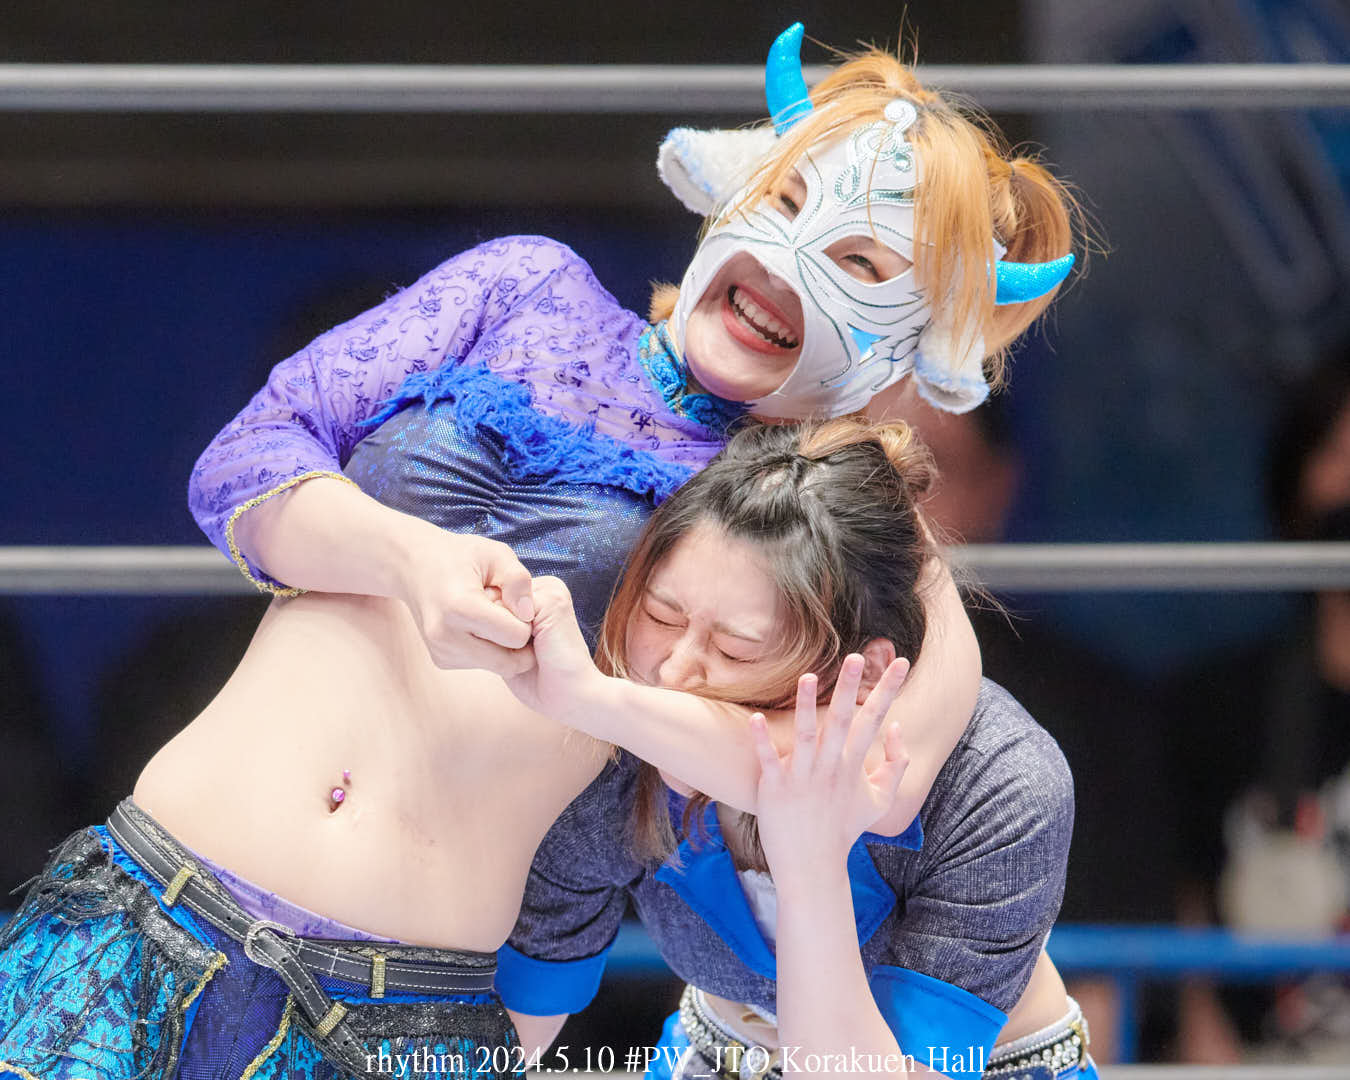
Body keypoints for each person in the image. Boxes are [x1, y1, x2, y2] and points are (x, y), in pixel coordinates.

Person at [0, 25, 1079, 1078]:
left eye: (859, 264)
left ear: (908, 349)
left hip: (397, 1006)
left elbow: (872, 783)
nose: (791, 267)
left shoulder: (810, 513)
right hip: (155, 898)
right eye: (789, 203)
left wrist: (585, 694)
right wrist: (407, 560)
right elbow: (245, 461)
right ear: (738, 194)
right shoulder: (527, 284)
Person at [499, 417, 1089, 1080]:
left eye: (734, 649)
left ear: (861, 673)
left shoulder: (999, 786)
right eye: (661, 615)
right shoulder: (611, 743)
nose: (671, 672)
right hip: (717, 1052)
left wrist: (809, 860)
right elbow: (513, 1028)